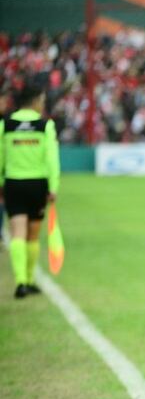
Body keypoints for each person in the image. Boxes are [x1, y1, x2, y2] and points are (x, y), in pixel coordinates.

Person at [1, 85, 59, 298]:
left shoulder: (5, 125)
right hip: (37, 184)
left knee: (17, 231)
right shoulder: (45, 126)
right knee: (32, 234)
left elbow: (0, 156)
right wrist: (53, 187)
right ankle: (29, 278)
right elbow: (52, 159)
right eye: (41, 100)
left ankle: (20, 281)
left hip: (14, 183)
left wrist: (0, 181)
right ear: (35, 101)